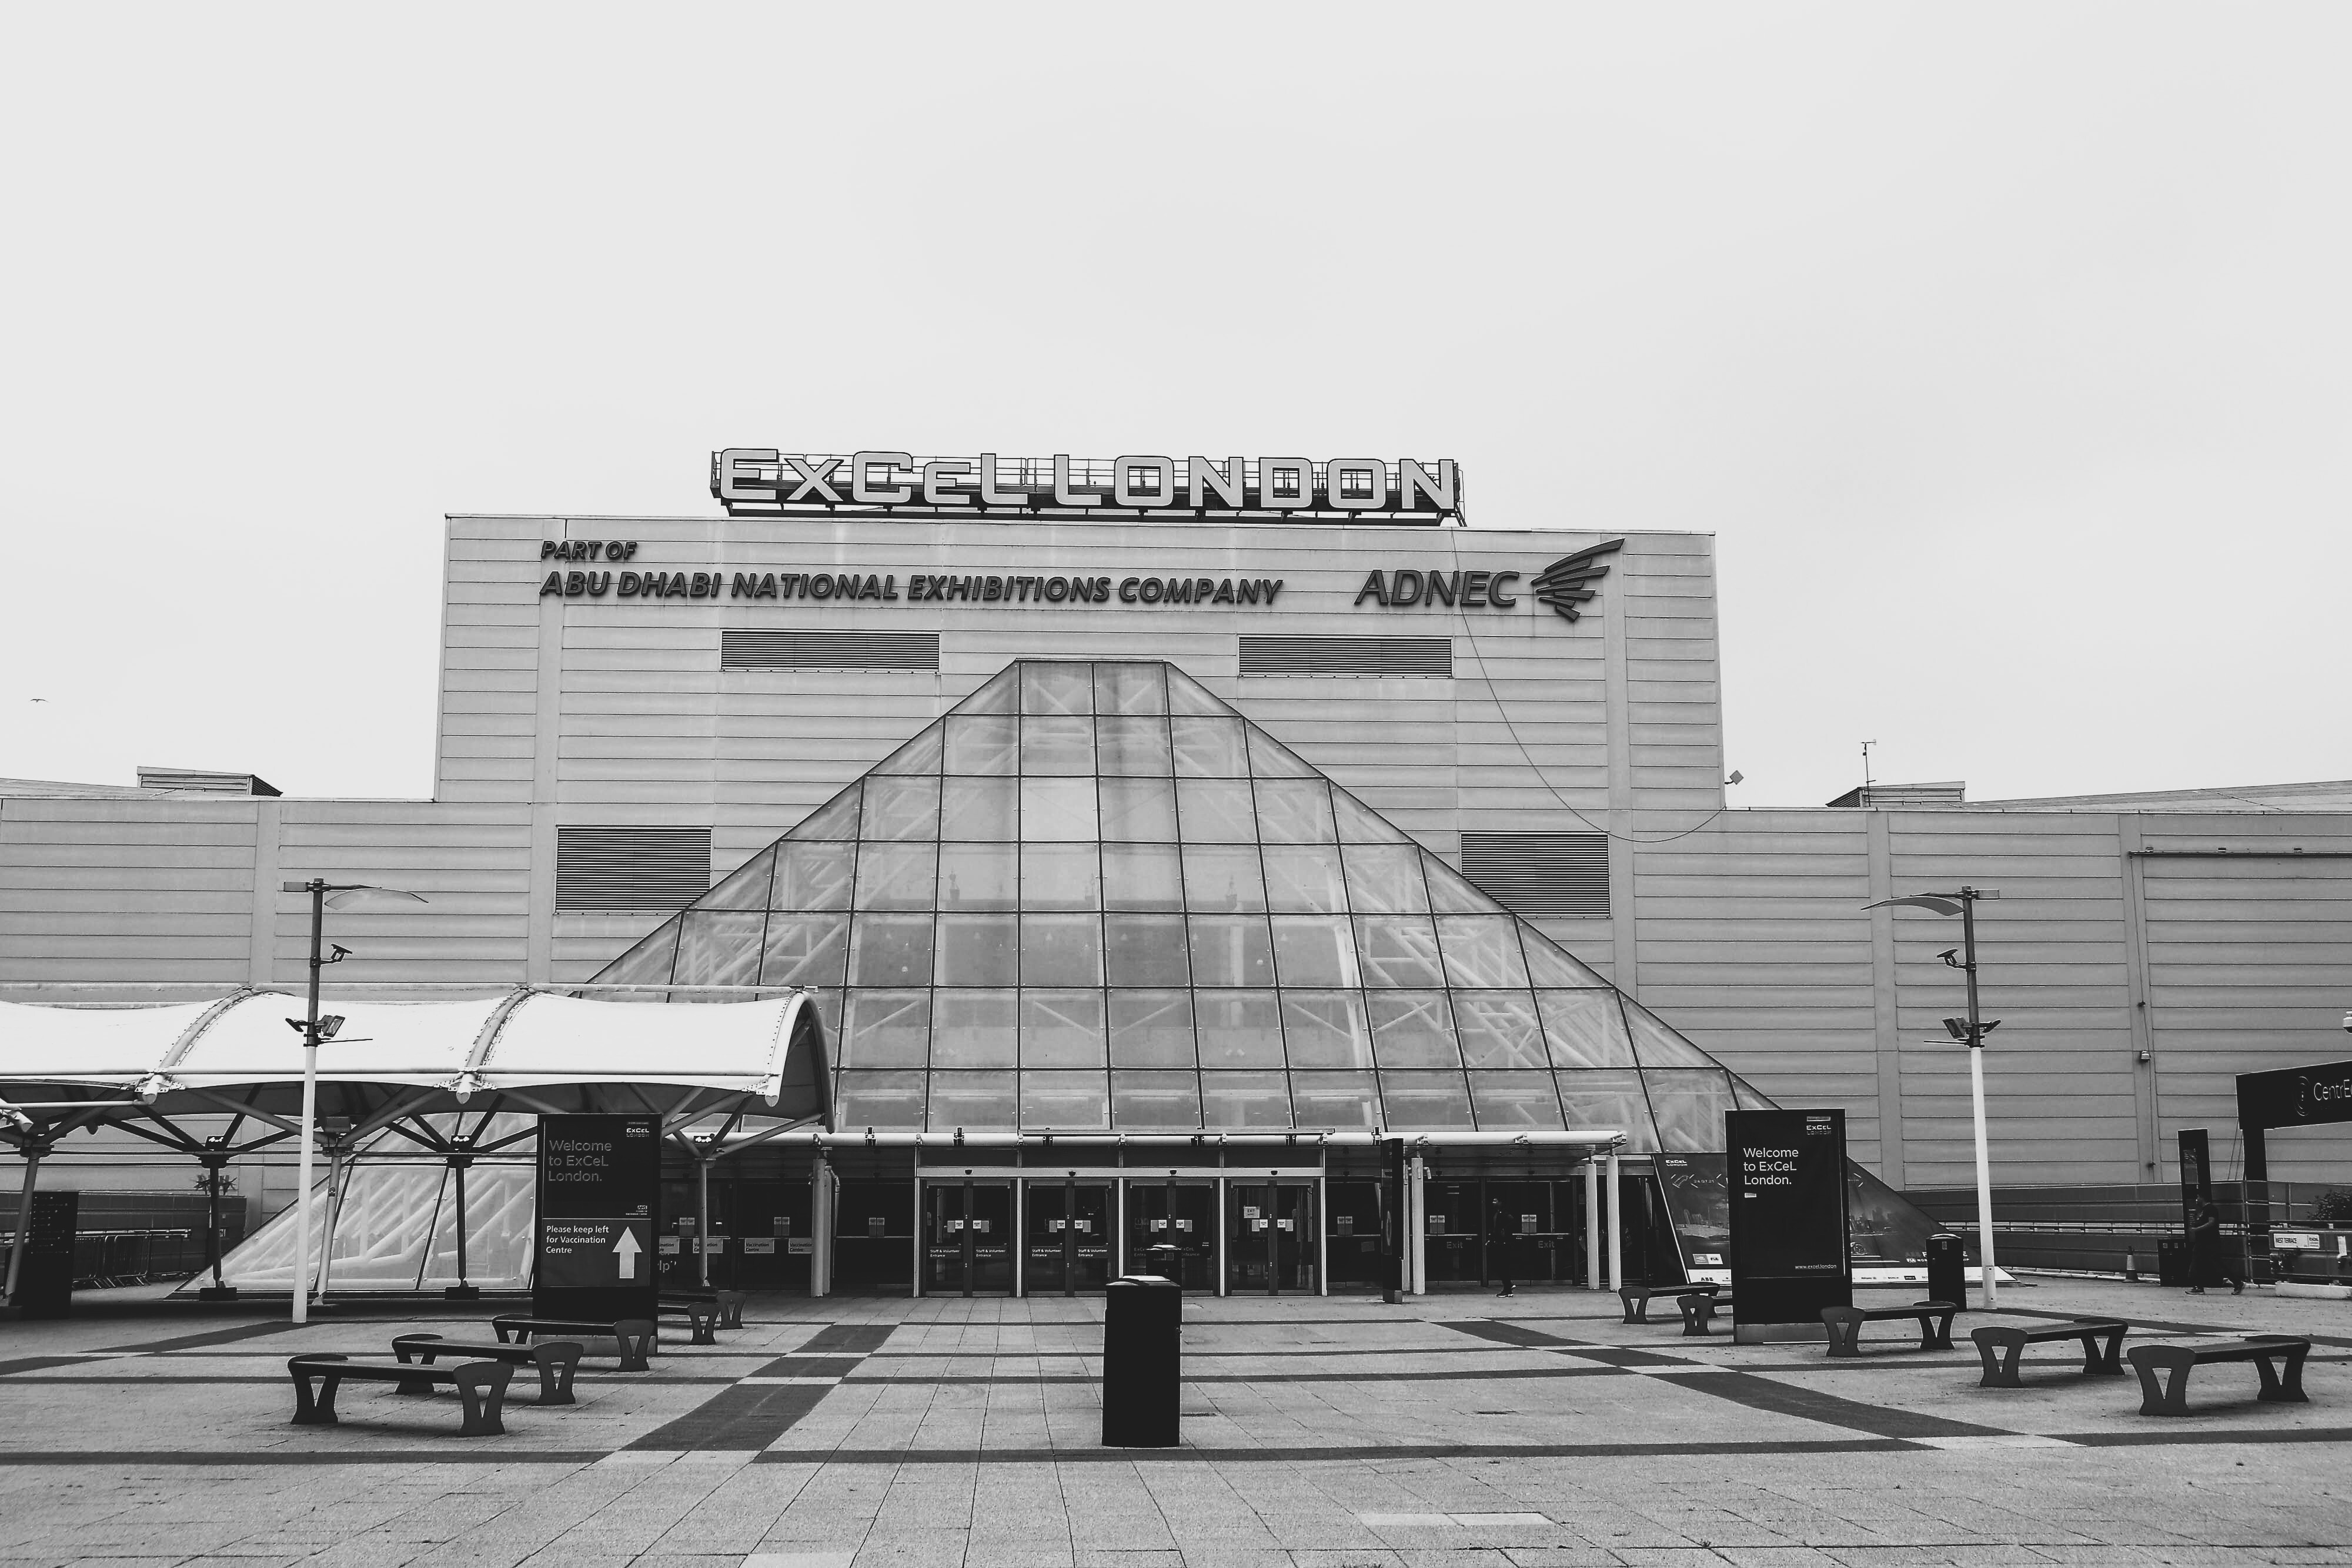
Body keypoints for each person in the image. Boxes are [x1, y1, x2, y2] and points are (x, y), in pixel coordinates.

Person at [2186, 1201, 2244, 1295]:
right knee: (2197, 1263)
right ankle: (2198, 1286)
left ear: (2202, 1197)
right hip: (2201, 1242)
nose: (2196, 1200)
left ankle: (2237, 1282)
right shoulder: (2203, 1210)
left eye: (2197, 1197)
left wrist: (2196, 1229)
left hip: (2210, 1242)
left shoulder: (2211, 1209)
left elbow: (2211, 1223)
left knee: (2217, 1264)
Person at [1489, 1206, 1516, 1298]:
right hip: (1499, 1241)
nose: (1493, 1203)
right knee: (1501, 1266)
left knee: (1501, 1265)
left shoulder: (1504, 1213)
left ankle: (1508, 1286)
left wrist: (1505, 1230)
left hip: (1503, 1243)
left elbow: (1511, 1221)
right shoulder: (1497, 1213)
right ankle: (1508, 1288)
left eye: (1495, 1201)